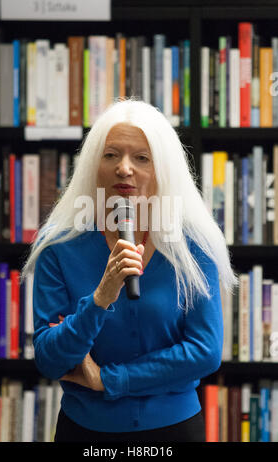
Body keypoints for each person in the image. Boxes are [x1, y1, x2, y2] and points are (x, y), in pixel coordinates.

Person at [21, 98, 238, 443]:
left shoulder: (195, 242)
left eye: (141, 157)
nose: (124, 168)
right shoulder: (59, 244)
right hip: (85, 431)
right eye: (111, 155)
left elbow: (205, 351)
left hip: (175, 431)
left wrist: (110, 379)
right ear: (94, 165)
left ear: (162, 169)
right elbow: (49, 358)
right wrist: (99, 300)